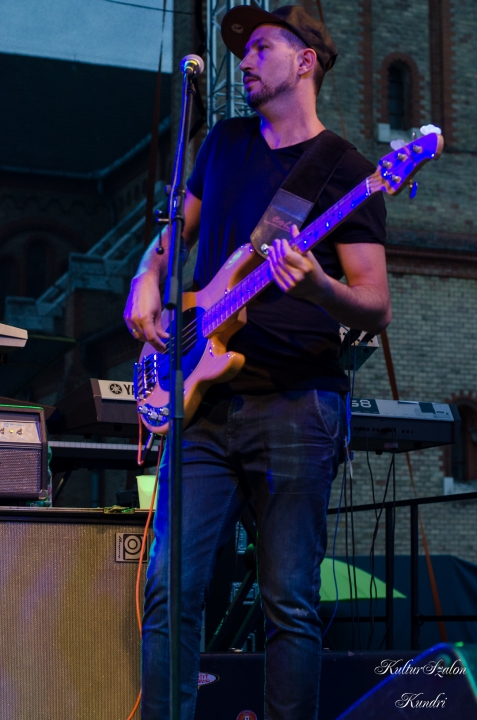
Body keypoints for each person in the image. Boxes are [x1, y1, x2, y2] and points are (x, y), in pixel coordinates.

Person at [123, 5, 391, 719]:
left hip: (297, 403)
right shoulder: (222, 143)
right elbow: (172, 233)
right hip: (202, 401)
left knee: (289, 603)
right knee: (167, 590)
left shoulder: (346, 170)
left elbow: (374, 304)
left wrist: (319, 286)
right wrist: (145, 276)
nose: (243, 60)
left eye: (261, 47)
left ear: (305, 61)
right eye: (241, 50)